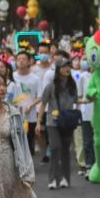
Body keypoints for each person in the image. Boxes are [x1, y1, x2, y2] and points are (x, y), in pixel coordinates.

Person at [37, 58, 78, 189]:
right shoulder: (50, 86)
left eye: (69, 66)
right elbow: (43, 104)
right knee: (55, 147)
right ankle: (53, 179)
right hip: (52, 122)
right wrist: (38, 122)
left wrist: (90, 99)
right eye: (64, 66)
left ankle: (65, 178)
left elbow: (76, 100)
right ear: (58, 69)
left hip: (67, 121)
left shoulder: (72, 85)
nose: (67, 69)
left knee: (65, 150)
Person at [11, 52, 43, 155]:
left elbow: (40, 96)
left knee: (28, 143)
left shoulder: (35, 78)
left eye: (24, 59)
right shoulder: (12, 76)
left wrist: (30, 105)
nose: (21, 61)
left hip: (30, 117)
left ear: (29, 62)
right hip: (13, 115)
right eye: (18, 59)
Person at [74, 57, 95, 175]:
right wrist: (86, 102)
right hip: (86, 113)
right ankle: (89, 165)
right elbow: (79, 96)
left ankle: (98, 165)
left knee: (98, 142)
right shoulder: (83, 77)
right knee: (87, 141)